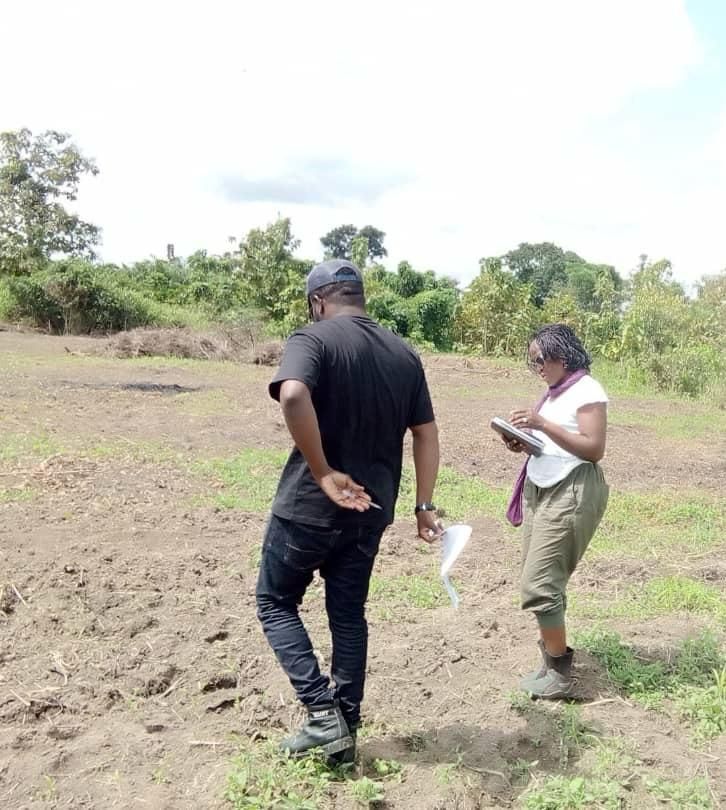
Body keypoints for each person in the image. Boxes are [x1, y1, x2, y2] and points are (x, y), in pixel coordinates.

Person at [256, 259, 442, 762]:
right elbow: (425, 432)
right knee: (347, 616)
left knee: (275, 602)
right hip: (371, 511)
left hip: (308, 508)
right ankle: (345, 730)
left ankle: (322, 715)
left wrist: (321, 470)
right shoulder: (404, 353)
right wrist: (424, 506)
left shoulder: (312, 339)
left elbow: (293, 393)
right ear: (360, 297)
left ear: (318, 301)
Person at [502, 323, 609, 699]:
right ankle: (551, 665)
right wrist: (524, 441)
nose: (537, 368)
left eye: (540, 360)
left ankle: (560, 675)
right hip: (542, 486)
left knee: (540, 583)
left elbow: (593, 448)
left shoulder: (587, 390)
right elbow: (551, 444)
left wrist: (541, 423)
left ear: (561, 356)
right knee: (543, 580)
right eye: (533, 363)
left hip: (572, 489)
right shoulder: (554, 393)